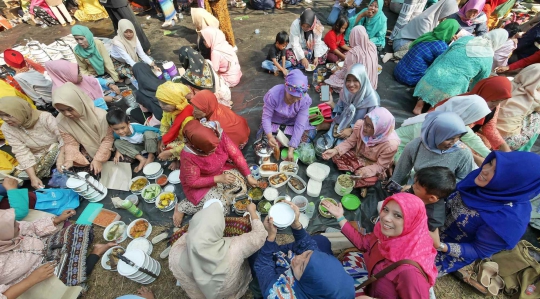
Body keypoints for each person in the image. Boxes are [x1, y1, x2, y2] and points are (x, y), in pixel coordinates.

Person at [436, 151, 540, 276]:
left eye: (496, 172)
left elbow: (477, 250)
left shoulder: (509, 220)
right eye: (490, 162)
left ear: (513, 181)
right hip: (431, 225)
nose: (485, 169)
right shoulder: (482, 180)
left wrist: (439, 245)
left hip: (445, 251)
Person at [322, 192, 438, 298]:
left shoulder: (410, 273)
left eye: (397, 215)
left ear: (412, 222)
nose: (386, 218)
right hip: (369, 281)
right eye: (386, 210)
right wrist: (340, 217)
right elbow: (364, 243)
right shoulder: (386, 236)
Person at [0, 208, 116, 299]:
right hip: (36, 274)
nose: (19, 225)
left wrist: (57, 219)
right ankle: (97, 251)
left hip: (47, 246)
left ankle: (79, 256)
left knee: (78, 230)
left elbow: (32, 227)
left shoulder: (14, 228)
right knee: (73, 274)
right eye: (14, 225)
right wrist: (32, 279)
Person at [253, 202, 355, 299]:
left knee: (255, 254)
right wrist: (296, 224)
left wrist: (270, 237)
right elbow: (309, 247)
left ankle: (258, 289)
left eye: (301, 267)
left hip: (275, 277)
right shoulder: (326, 286)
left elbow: (262, 265)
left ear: (307, 285)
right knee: (321, 241)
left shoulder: (279, 293)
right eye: (307, 255)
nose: (298, 257)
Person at [170, 200, 267, 298]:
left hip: (200, 292)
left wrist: (197, 231)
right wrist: (252, 211)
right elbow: (260, 236)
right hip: (229, 288)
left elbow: (188, 236)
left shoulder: (175, 254)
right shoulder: (233, 248)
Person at [174, 120, 258, 226]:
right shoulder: (189, 156)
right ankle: (183, 207)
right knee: (222, 210)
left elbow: (235, 154)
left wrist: (248, 175)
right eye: (210, 150)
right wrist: (217, 179)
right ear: (198, 148)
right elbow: (193, 182)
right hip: (201, 184)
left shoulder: (217, 134)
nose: (215, 151)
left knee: (242, 186)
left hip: (221, 170)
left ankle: (224, 194)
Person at [412, 29, 508, 115]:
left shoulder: (466, 39)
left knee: (437, 77)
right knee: (448, 94)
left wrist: (431, 69)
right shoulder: (488, 58)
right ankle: (429, 112)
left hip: (432, 76)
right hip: (452, 87)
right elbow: (480, 81)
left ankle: (419, 105)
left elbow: (445, 53)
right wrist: (470, 93)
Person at [395, 95, 492, 166]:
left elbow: (472, 139)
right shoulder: (429, 125)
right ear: (467, 115)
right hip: (396, 150)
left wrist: (493, 156)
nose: (474, 121)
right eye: (474, 117)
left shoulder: (454, 121)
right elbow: (422, 152)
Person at [322, 107, 400, 188]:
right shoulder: (360, 126)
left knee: (368, 179)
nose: (365, 128)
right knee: (336, 155)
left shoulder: (390, 145)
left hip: (373, 164)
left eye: (370, 126)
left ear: (380, 129)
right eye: (365, 122)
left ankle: (361, 183)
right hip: (359, 155)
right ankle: (357, 176)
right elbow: (349, 142)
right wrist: (335, 150)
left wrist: (364, 171)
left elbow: (380, 166)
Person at [432, 76, 513, 152]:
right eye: (494, 100)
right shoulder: (466, 104)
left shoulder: (494, 106)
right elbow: (458, 132)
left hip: (464, 136)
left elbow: (489, 128)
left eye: (501, 100)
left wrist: (503, 146)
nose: (496, 104)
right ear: (485, 92)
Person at [391, 111, 474, 185]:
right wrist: (393, 187)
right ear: (434, 134)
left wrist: (438, 188)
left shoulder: (463, 153)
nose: (453, 142)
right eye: (448, 138)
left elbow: (464, 180)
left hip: (442, 195)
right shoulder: (416, 145)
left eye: (458, 137)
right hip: (416, 187)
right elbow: (400, 172)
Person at [0, 97, 62, 189]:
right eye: (1, 115)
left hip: (57, 147)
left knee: (56, 148)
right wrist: (33, 177)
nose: (5, 119)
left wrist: (61, 159)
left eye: (8, 115)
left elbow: (63, 137)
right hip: (37, 155)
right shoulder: (6, 128)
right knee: (19, 174)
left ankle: (53, 165)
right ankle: (45, 170)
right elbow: (21, 152)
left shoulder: (44, 117)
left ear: (20, 111)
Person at [53, 83, 114, 176]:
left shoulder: (100, 116)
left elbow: (108, 139)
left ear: (78, 103)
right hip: (88, 152)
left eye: (70, 109)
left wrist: (98, 159)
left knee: (122, 160)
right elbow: (70, 143)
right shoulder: (61, 121)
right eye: (62, 110)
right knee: (74, 172)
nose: (67, 114)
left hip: (109, 148)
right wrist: (69, 159)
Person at [260, 70, 315, 162]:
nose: (295, 100)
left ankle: (283, 144)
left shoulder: (305, 100)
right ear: (286, 87)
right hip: (276, 122)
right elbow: (266, 117)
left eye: (298, 97)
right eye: (292, 96)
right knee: (265, 140)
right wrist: (270, 137)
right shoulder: (273, 95)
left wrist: (291, 149)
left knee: (304, 137)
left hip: (293, 123)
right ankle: (278, 141)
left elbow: (299, 124)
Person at [323, 64, 380, 144]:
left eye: (356, 80)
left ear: (362, 79)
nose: (351, 84)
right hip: (341, 125)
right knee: (326, 143)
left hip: (360, 131)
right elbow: (341, 111)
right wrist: (331, 103)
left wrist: (351, 129)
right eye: (348, 80)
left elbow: (372, 124)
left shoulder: (372, 100)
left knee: (340, 148)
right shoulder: (345, 92)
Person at [394, 19, 461, 86]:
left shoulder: (429, 35)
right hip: (410, 79)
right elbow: (443, 65)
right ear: (451, 32)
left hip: (398, 71)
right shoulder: (441, 46)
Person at [409, 166, 456, 247]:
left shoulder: (433, 218)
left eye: (417, 187)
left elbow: (425, 237)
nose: (413, 187)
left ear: (432, 198)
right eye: (414, 184)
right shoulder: (421, 192)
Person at [497, 64, 540, 151]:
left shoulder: (507, 83)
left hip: (486, 128)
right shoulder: (535, 98)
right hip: (506, 139)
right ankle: (522, 151)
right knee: (536, 117)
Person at [45, 59, 119, 110]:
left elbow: (94, 81)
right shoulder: (63, 93)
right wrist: (102, 100)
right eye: (77, 73)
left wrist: (109, 85)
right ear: (65, 76)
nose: (81, 75)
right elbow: (79, 109)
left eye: (79, 72)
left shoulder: (76, 78)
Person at [391, 0, 459, 55]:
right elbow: (427, 41)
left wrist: (449, 34)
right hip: (401, 44)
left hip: (413, 43)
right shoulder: (426, 20)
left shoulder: (435, 18)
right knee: (426, 55)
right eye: (448, 14)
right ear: (444, 10)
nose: (447, 18)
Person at [325, 26, 379, 92]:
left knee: (332, 78)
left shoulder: (353, 52)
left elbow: (345, 73)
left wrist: (336, 72)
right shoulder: (372, 46)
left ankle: (326, 95)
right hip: (372, 83)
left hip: (359, 87)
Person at [155, 82, 194, 170]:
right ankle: (177, 160)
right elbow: (164, 124)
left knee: (168, 149)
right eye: (159, 102)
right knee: (163, 145)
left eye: (165, 103)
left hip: (190, 143)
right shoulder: (169, 111)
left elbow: (192, 144)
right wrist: (163, 138)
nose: (161, 106)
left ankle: (183, 161)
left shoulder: (189, 119)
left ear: (176, 102)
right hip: (178, 137)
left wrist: (171, 152)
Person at [106, 108, 160, 173]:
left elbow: (157, 131)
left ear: (128, 124)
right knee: (117, 143)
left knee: (148, 133)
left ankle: (151, 156)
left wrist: (160, 142)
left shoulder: (137, 128)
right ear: (110, 127)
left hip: (151, 144)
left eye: (123, 128)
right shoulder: (116, 135)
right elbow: (119, 142)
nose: (120, 131)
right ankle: (142, 159)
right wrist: (118, 152)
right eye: (116, 129)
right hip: (140, 148)